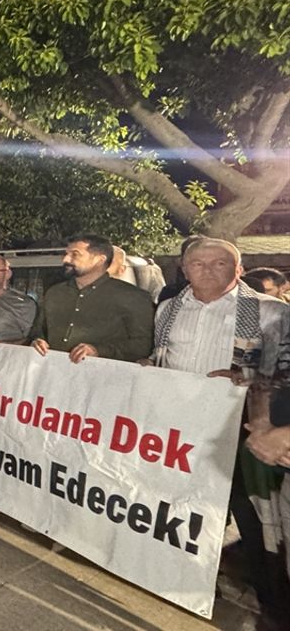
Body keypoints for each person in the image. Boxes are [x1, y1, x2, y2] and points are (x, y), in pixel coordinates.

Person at [153, 238, 290, 628]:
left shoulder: (271, 312)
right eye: (197, 264)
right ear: (184, 269)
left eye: (219, 263)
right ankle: (192, 581)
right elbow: (161, 356)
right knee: (184, 507)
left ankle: (272, 604)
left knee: (250, 517)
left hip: (242, 427)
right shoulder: (167, 309)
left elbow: (286, 371)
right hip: (178, 426)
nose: (207, 270)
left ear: (239, 269)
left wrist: (246, 377)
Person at [30, 234, 154, 364]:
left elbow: (143, 345)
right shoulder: (54, 293)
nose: (66, 259)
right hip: (54, 371)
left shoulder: (132, 297)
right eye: (66, 254)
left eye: (75, 254)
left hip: (104, 374)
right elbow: (38, 332)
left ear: (99, 260)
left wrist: (99, 351)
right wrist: (37, 342)